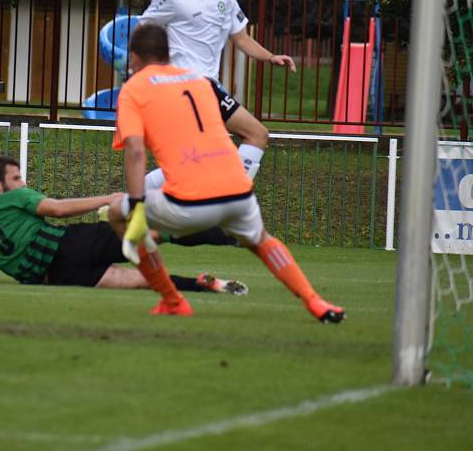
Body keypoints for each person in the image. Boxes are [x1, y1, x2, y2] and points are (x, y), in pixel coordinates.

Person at [107, 22, 343, 323]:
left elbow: (136, 151)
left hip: (189, 203)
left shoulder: (133, 89)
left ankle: (172, 299)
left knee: (117, 212)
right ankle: (316, 301)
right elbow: (237, 125)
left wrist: (138, 205)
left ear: (135, 58)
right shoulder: (200, 81)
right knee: (261, 240)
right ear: (168, 53)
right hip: (239, 192)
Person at [0, 155, 249, 296]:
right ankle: (231, 234)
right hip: (73, 243)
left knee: (145, 281)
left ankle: (210, 285)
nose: (23, 183)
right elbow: (58, 210)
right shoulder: (13, 197)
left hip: (61, 277)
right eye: (16, 178)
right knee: (155, 232)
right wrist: (109, 197)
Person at [139, 0, 297, 180]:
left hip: (208, 86)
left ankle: (142, 196)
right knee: (256, 134)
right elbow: (142, 33)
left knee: (197, 160)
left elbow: (240, 37)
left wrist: (270, 57)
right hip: (187, 86)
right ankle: (233, 192)